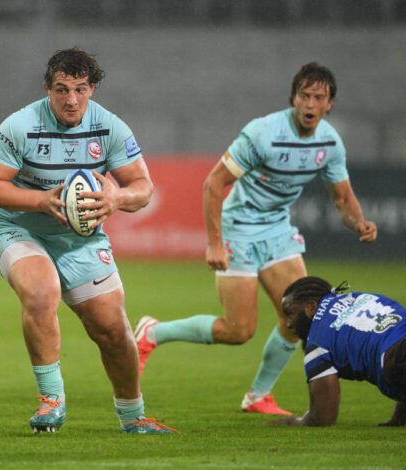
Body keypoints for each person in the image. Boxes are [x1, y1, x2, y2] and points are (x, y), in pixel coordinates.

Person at [134, 62, 378, 415]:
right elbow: (214, 183)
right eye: (304, 96)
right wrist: (215, 243)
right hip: (240, 227)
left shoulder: (329, 142)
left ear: (329, 104)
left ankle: (258, 395)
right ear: (293, 98)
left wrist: (359, 223)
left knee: (302, 318)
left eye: (318, 97)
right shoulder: (263, 133)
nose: (310, 104)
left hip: (277, 229)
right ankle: (153, 333)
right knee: (238, 331)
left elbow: (342, 199)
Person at [0, 47, 176, 434]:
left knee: (112, 329)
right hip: (21, 228)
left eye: (80, 89)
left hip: (80, 239)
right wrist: (40, 200)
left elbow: (143, 188)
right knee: (41, 291)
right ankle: (51, 401)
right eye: (62, 89)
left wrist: (117, 198)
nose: (71, 100)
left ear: (92, 89)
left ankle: (133, 417)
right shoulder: (21, 125)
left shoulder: (109, 127)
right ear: (47, 89)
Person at [266, 276, 406, 427]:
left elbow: (322, 417)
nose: (288, 324)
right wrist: (398, 420)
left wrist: (292, 422)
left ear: (311, 307)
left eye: (289, 314)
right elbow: (394, 337)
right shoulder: (359, 297)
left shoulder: (318, 341)